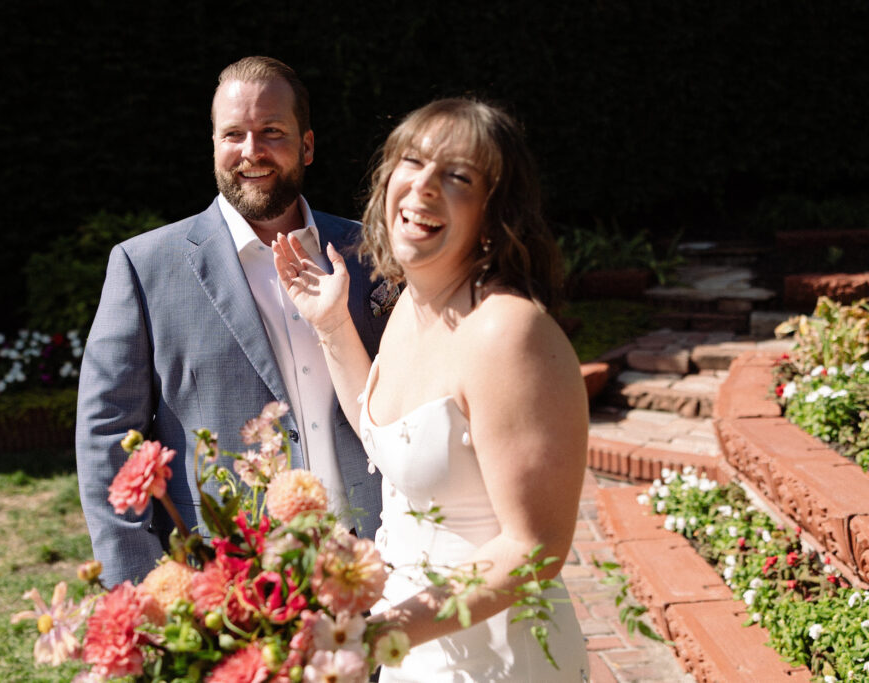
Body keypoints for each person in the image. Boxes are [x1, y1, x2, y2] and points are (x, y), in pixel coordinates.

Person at [272, 98, 589, 680]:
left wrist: (379, 634)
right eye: (412, 161)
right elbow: (388, 441)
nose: (422, 185)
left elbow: (534, 546)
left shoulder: (507, 332)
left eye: (457, 176)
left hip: (498, 655)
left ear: (495, 211)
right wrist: (333, 325)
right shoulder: (410, 305)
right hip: (414, 645)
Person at [76, 56, 387, 588]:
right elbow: (106, 435)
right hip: (230, 584)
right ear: (214, 144)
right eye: (233, 134)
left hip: (375, 561)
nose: (251, 151)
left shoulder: (370, 251)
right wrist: (138, 589)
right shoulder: (144, 267)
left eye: (272, 132)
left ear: (307, 145)